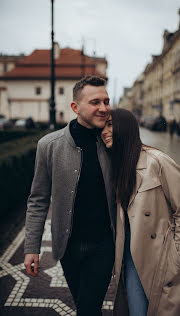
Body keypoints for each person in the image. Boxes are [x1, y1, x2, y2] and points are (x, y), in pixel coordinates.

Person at [24, 75, 115, 316]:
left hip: (105, 245)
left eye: (106, 101)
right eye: (95, 102)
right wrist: (31, 247)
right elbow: (38, 199)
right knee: (83, 302)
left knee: (88, 307)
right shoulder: (49, 145)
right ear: (75, 107)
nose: (104, 108)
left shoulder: (113, 142)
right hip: (68, 247)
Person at [101, 108, 180, 316]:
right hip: (130, 258)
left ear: (124, 128)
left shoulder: (158, 161)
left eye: (110, 125)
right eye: (103, 126)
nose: (104, 131)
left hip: (160, 259)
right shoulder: (116, 164)